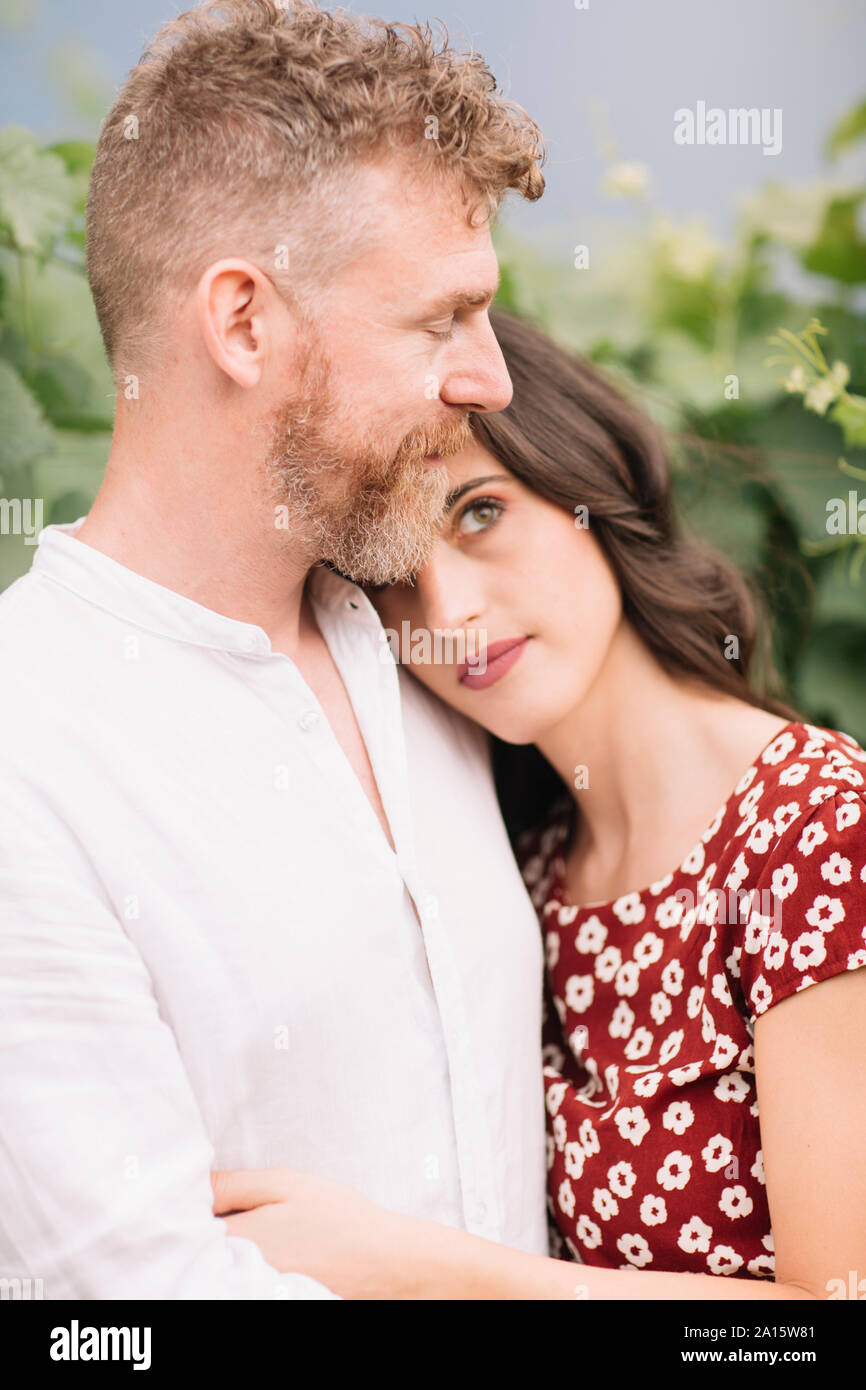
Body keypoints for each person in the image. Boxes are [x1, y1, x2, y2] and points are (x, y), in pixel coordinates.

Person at [0, 3, 552, 1298]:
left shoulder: (444, 651)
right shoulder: (28, 750)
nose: (493, 382)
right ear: (243, 324)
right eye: (439, 321)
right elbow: (125, 1317)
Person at [213, 310, 866, 1299]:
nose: (448, 613)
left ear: (584, 482)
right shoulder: (525, 862)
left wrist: (413, 1267)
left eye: (479, 512)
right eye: (391, 577)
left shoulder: (817, 825)